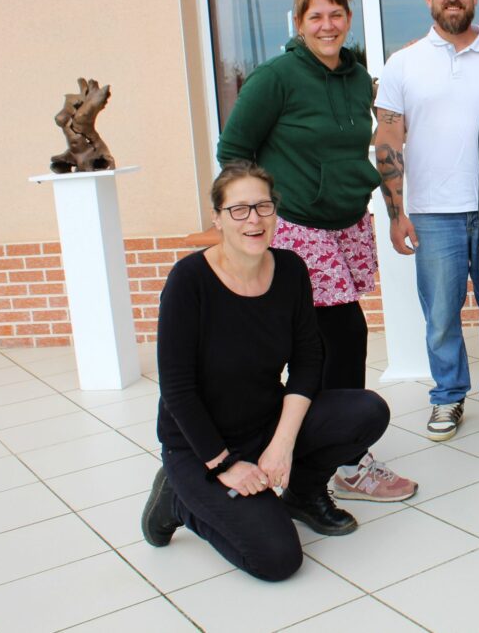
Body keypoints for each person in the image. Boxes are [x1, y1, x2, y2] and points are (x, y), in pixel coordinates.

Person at [217, 0, 416, 502]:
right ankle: (342, 458)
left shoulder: (355, 79)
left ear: (347, 19)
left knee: (338, 339)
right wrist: (256, 215)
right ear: (300, 22)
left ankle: (327, 446)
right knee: (337, 337)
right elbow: (232, 150)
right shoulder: (276, 77)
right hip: (300, 227)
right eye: (315, 16)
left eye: (335, 15)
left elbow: (361, 147)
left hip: (347, 222)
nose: (327, 25)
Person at [141, 162, 391, 580]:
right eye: (239, 209)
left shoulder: (291, 270)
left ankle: (303, 494)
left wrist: (282, 444)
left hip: (264, 420)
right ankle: (177, 501)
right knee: (277, 560)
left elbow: (308, 361)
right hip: (200, 446)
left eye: (263, 206)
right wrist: (223, 465)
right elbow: (178, 390)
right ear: (218, 218)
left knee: (367, 411)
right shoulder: (189, 281)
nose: (253, 219)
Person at [375, 0, 479, 441]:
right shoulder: (403, 63)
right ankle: (449, 396)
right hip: (433, 215)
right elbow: (388, 140)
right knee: (440, 316)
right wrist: (396, 213)